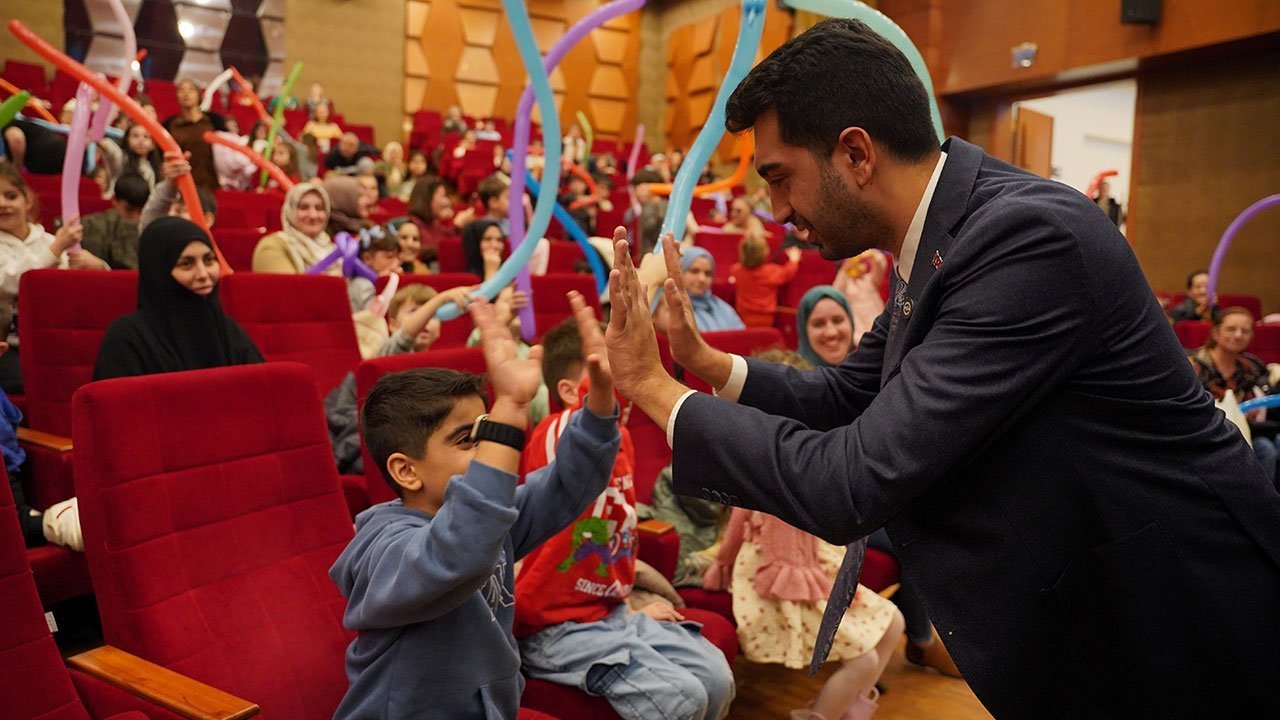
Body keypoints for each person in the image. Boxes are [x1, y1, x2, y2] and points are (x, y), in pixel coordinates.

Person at [602, 18, 1280, 719]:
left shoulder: (1025, 239)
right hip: (1110, 614)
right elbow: (849, 392)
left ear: (856, 153)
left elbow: (851, 480)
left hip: (1182, 621)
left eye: (780, 177)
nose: (776, 210)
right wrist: (704, 361)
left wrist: (652, 385)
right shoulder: (941, 236)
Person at [329, 293, 621, 720]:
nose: (490, 450)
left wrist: (598, 403)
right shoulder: (381, 549)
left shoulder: (488, 517)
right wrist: (510, 411)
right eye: (469, 440)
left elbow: (567, 485)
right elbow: (457, 551)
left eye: (489, 432)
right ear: (407, 471)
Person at [515, 316, 736, 720]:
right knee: (684, 698)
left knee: (717, 678)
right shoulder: (556, 431)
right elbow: (583, 433)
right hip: (552, 628)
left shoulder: (625, 439)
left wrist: (630, 607)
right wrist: (599, 390)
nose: (624, 382)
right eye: (608, 372)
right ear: (570, 391)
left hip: (610, 612)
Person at [700, 348, 899, 720]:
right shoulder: (759, 468)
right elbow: (737, 527)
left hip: (813, 565)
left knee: (894, 624)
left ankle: (846, 710)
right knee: (864, 659)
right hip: (775, 582)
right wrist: (720, 567)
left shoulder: (811, 458)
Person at [323, 283, 473, 473]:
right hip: (362, 437)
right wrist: (440, 300)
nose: (427, 320)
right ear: (393, 324)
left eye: (435, 315)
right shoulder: (389, 352)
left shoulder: (436, 367)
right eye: (414, 311)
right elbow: (405, 337)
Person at [93, 217, 262, 380]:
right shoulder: (127, 337)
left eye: (209, 260)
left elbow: (263, 388)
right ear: (159, 272)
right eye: (186, 264)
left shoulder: (228, 330)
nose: (203, 274)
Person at [0, 163, 105, 393]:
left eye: (11, 196)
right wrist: (56, 250)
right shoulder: (56, 244)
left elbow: (78, 288)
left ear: (27, 201)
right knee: (23, 384)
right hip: (11, 344)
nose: (2, 204)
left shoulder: (48, 240)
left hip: (56, 337)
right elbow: (11, 282)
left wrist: (98, 267)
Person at [1190, 306, 1279, 489]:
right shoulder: (1194, 366)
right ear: (1216, 332)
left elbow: (1266, 397)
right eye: (1231, 329)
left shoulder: (1251, 365)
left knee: (1271, 444)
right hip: (1207, 436)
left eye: (1245, 331)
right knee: (1264, 448)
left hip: (1249, 432)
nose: (1238, 335)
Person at [653, 246, 743, 333]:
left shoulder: (723, 308)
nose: (702, 279)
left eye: (707, 273)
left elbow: (741, 337)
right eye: (695, 271)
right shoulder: (669, 307)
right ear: (680, 272)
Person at [252, 182, 336, 275]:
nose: (313, 215)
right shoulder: (272, 246)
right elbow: (290, 284)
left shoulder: (331, 247)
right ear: (290, 212)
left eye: (319, 208)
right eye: (304, 207)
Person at [162, 78, 227, 190]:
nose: (186, 93)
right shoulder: (169, 124)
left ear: (199, 95)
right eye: (181, 90)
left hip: (211, 181)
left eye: (191, 89)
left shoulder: (214, 120)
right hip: (182, 183)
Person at [80, 173, 150, 270]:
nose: (136, 218)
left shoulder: (152, 227)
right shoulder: (92, 225)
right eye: (129, 210)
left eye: (141, 211)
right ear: (114, 201)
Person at [731, 236, 800, 328]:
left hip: (744, 316)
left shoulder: (737, 270)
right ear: (764, 253)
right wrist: (794, 260)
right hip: (766, 317)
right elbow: (787, 274)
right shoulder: (770, 272)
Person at [139, 154, 218, 232]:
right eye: (166, 214)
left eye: (180, 211)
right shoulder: (160, 237)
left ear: (207, 220)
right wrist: (170, 183)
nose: (171, 216)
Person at [832, 250, 889, 347]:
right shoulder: (846, 284)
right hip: (859, 325)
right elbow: (835, 293)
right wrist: (846, 269)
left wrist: (874, 256)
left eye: (863, 264)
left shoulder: (869, 280)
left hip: (877, 319)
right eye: (859, 264)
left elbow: (880, 267)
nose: (861, 266)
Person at [407, 174, 459, 264]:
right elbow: (432, 248)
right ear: (427, 198)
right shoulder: (413, 223)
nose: (447, 202)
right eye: (443, 196)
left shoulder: (436, 223)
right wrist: (456, 225)